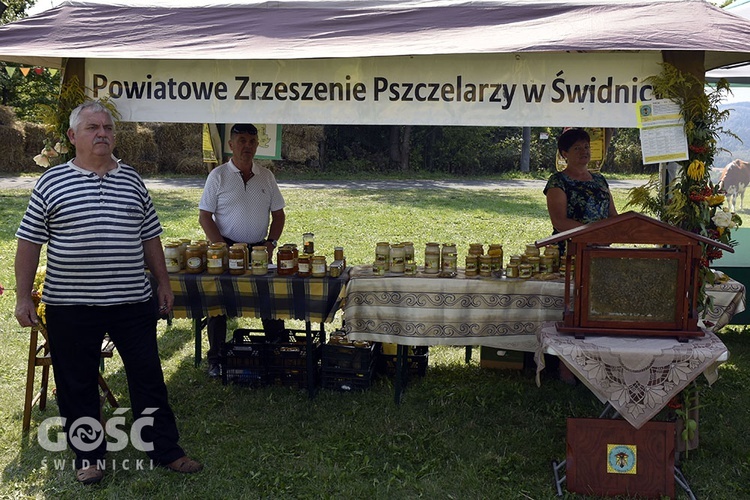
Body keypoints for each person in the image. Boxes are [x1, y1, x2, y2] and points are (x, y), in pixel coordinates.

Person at [14, 101, 202, 484]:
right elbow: (29, 242)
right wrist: (21, 296)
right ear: (72, 136)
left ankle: (165, 449)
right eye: (92, 127)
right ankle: (89, 456)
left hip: (132, 302)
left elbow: (151, 236)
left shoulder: (132, 179)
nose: (102, 133)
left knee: (148, 377)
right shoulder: (50, 182)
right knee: (77, 381)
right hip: (70, 304)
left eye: (107, 127)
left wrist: (163, 283)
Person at [199, 123, 286, 378]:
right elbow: (205, 217)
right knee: (218, 305)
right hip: (225, 248)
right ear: (231, 145)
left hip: (259, 250)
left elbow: (279, 215)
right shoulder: (218, 176)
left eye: (251, 141)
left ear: (258, 145)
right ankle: (215, 359)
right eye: (241, 141)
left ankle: (276, 352)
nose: (246, 146)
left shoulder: (266, 176)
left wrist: (271, 244)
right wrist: (222, 248)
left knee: (269, 301)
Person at [544, 127, 618, 242]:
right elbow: (559, 222)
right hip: (570, 249)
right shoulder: (558, 181)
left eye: (586, 147)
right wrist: (593, 233)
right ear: (565, 154)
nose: (584, 151)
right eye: (577, 148)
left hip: (600, 249)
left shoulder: (599, 179)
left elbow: (613, 215)